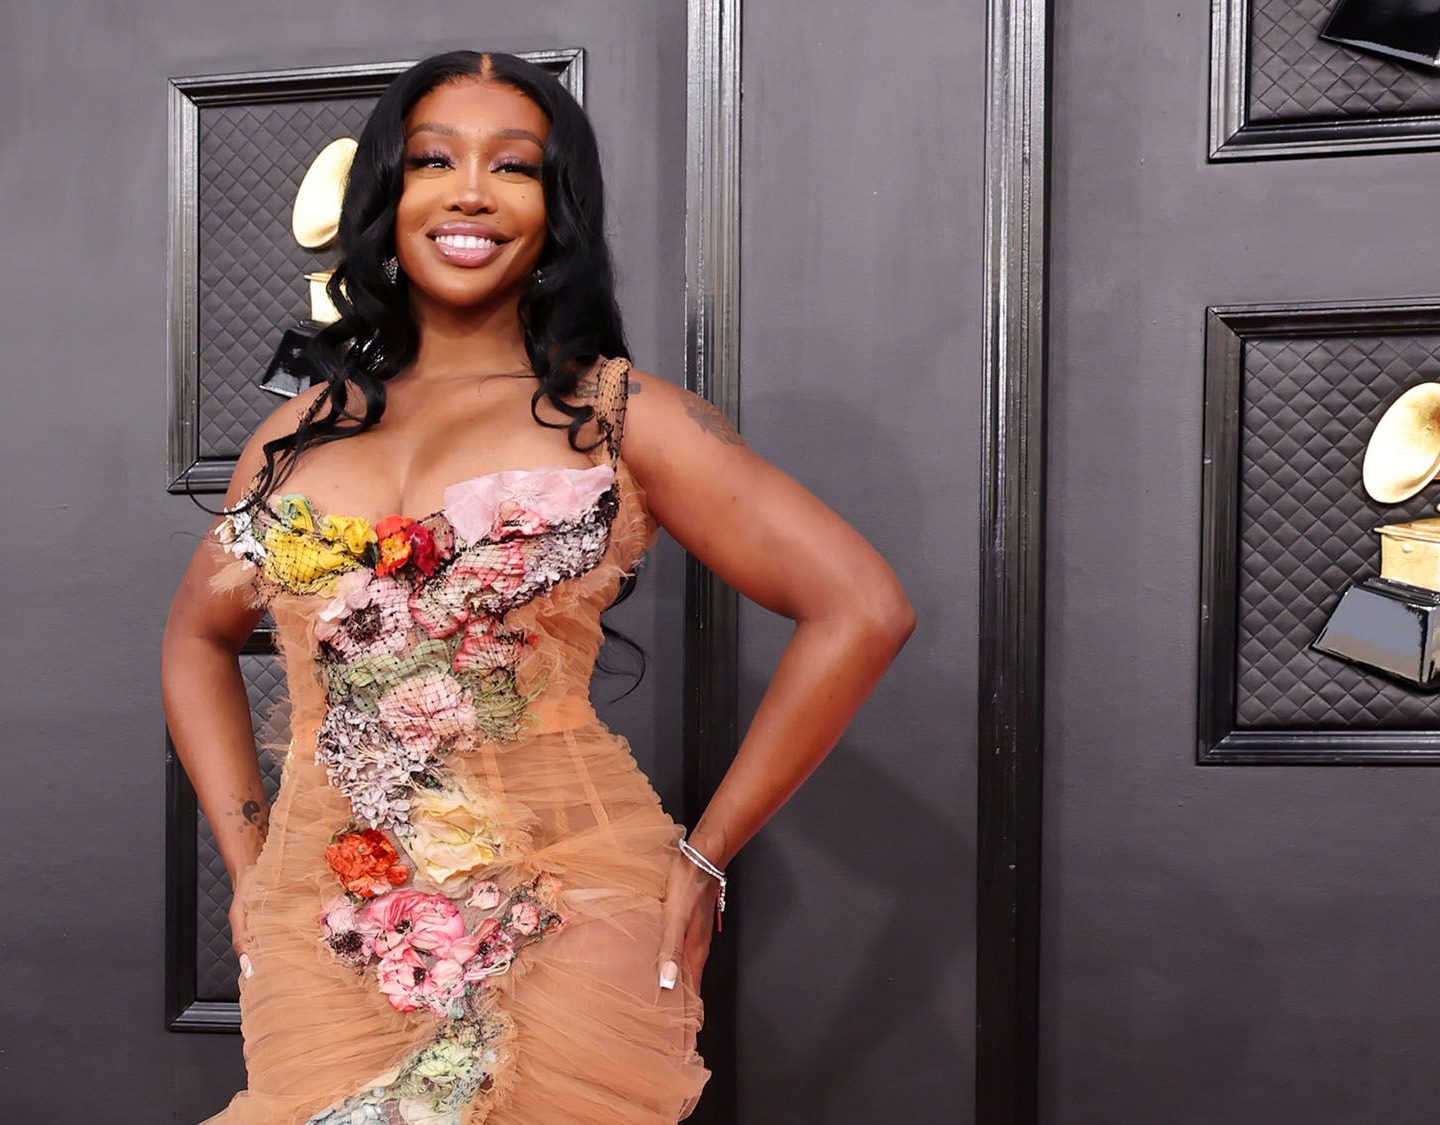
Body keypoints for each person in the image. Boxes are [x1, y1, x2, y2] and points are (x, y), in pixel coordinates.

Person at [163, 49, 914, 1125]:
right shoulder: (298, 433)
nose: (470, 191)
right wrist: (249, 862)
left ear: (555, 210)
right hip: (323, 916)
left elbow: (863, 607)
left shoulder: (618, 414)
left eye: (512, 166)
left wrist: (705, 858)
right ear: (387, 196)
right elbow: (195, 640)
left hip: (567, 899)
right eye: (434, 160)